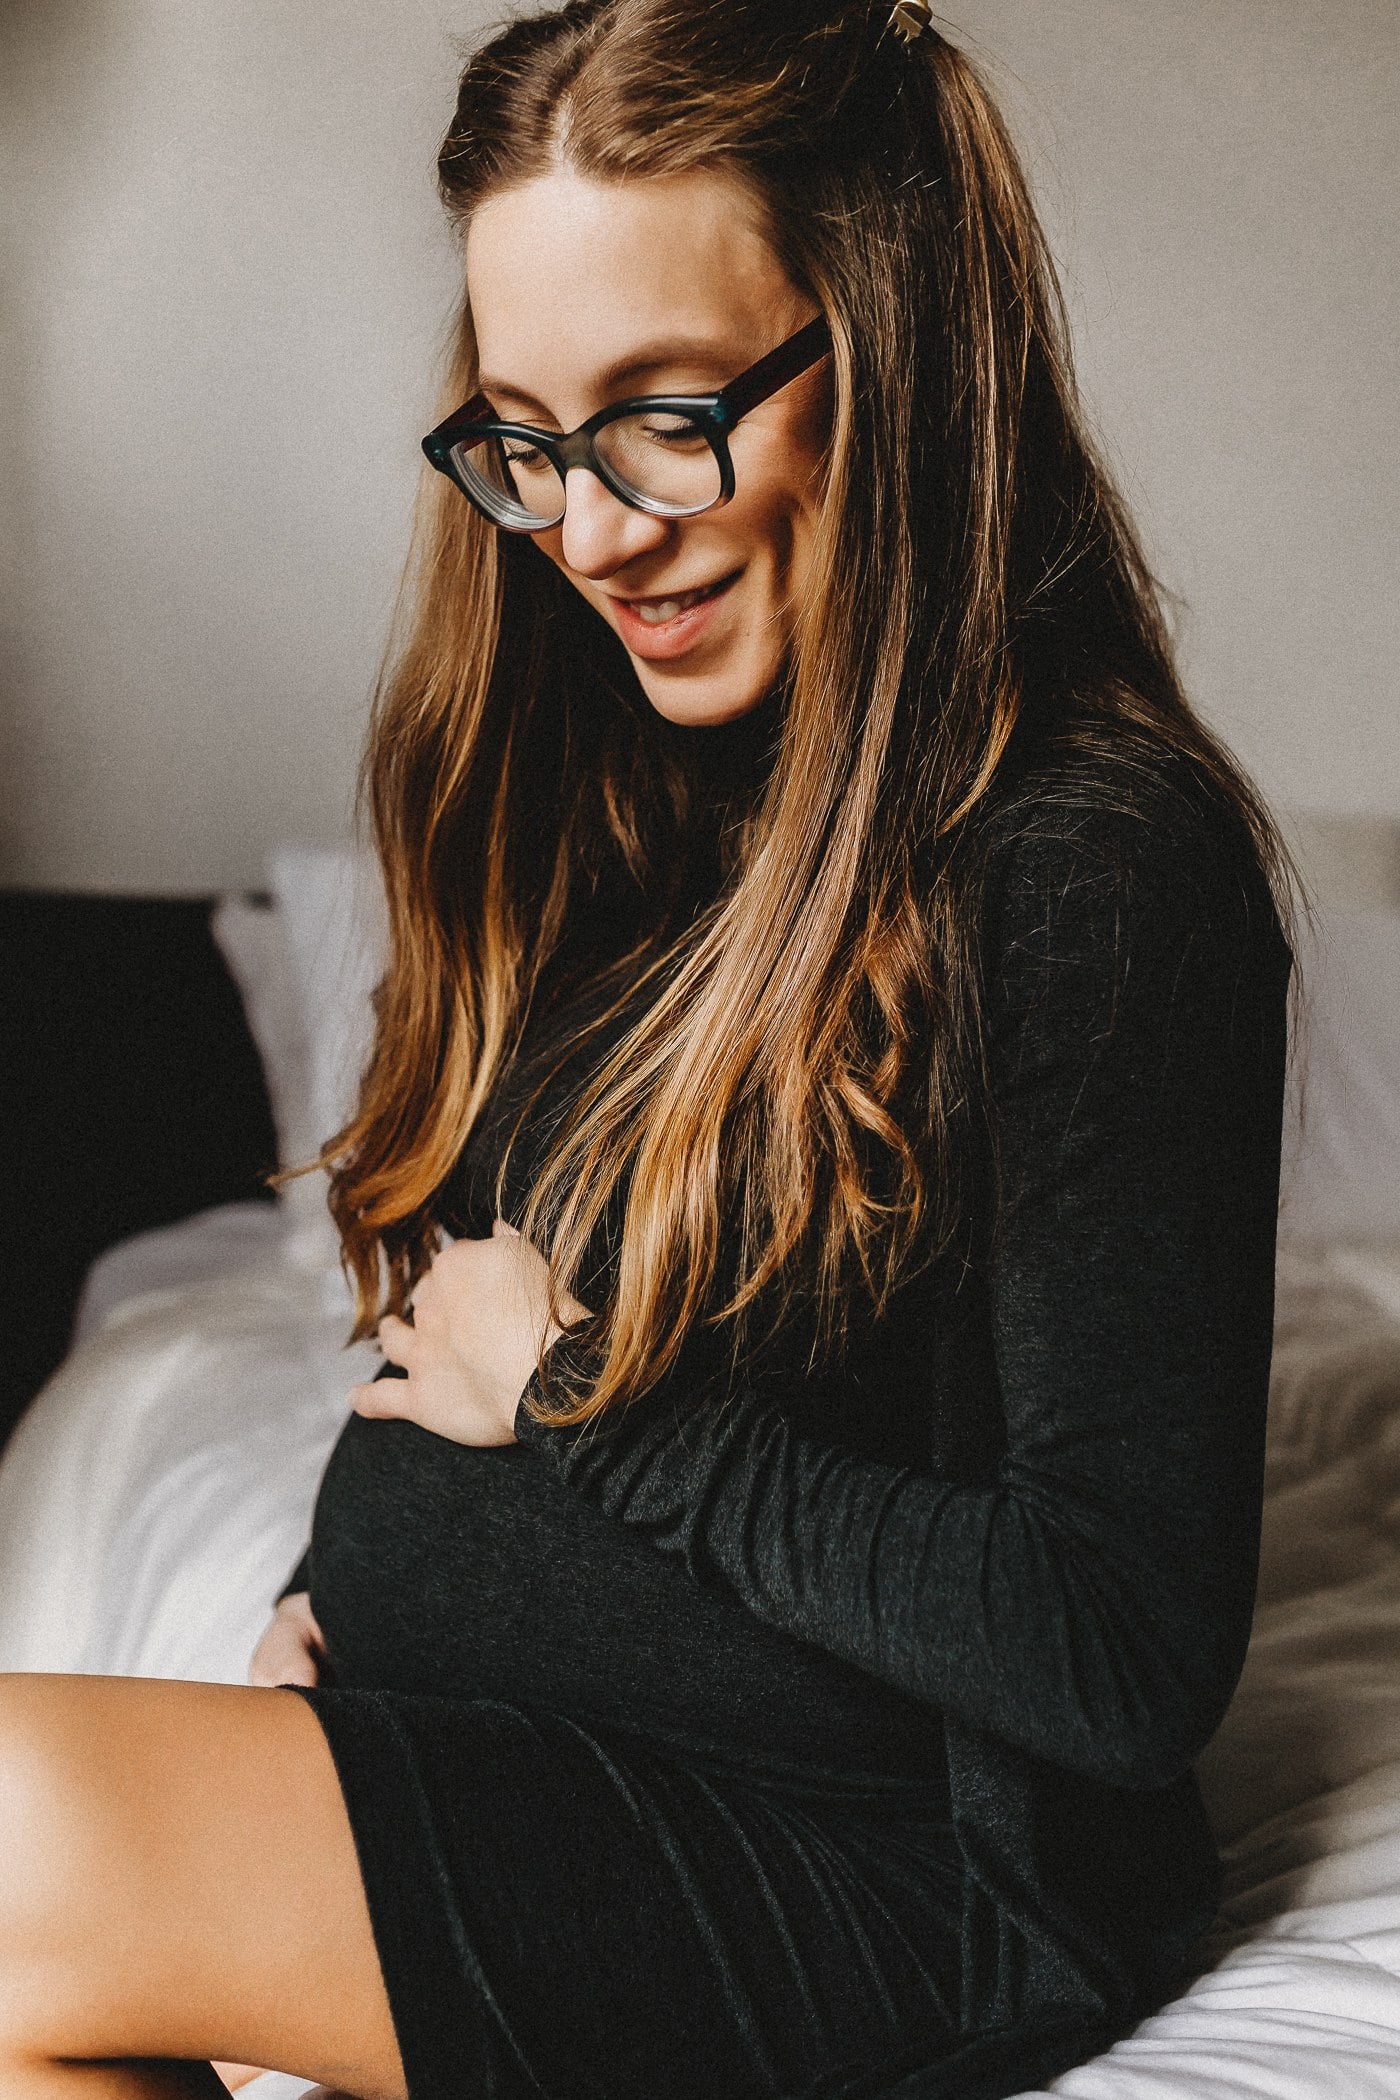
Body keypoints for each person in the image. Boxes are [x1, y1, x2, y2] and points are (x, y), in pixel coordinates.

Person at [0, 2, 1297, 2097]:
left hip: (897, 1876)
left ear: (896, 357)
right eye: (526, 437)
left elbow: (1114, 1648)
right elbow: (477, 1320)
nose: (590, 531)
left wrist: (582, 1394)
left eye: (667, 416)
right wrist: (333, 1597)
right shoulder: (639, 789)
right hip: (546, 1751)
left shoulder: (1093, 862)